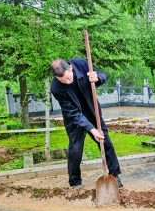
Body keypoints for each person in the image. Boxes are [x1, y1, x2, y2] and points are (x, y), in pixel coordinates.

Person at [50, 58, 123, 189]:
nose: (67, 82)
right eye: (62, 80)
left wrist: (98, 77)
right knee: (75, 150)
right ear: (56, 78)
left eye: (68, 78)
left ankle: (115, 175)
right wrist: (91, 129)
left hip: (92, 111)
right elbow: (72, 112)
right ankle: (75, 182)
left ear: (70, 68)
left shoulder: (81, 64)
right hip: (75, 120)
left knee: (105, 142)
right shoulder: (56, 88)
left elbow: (102, 74)